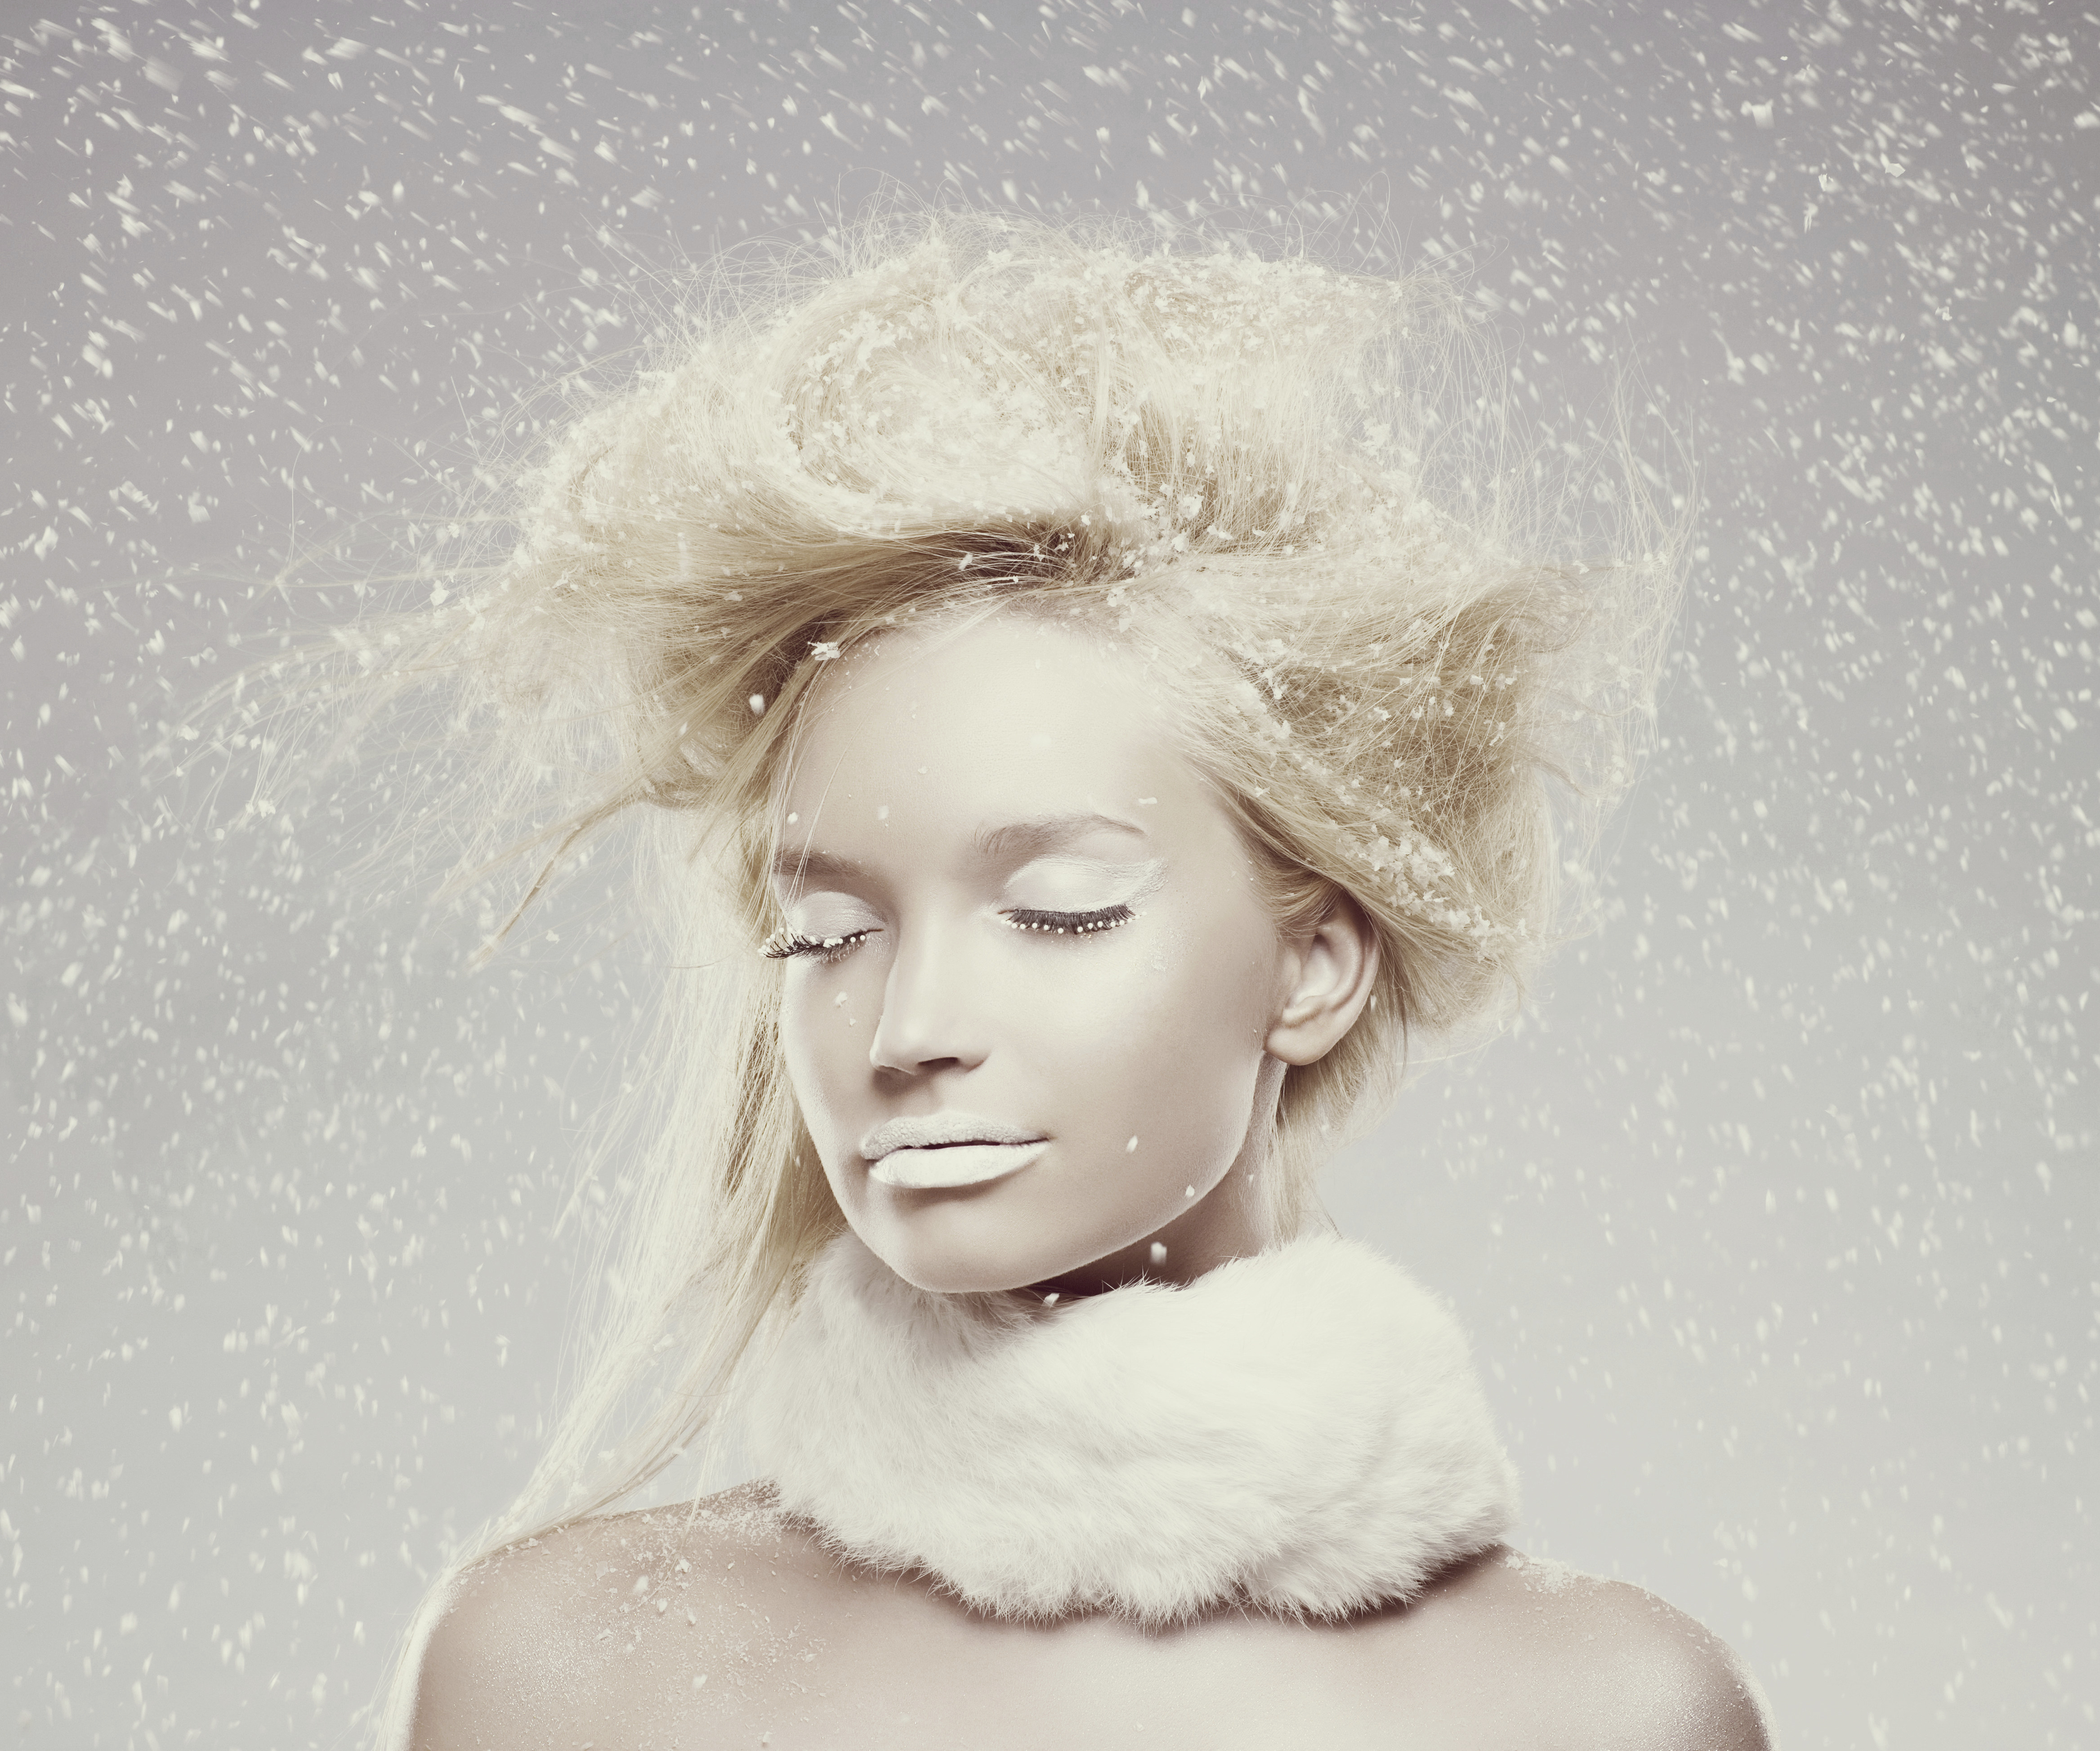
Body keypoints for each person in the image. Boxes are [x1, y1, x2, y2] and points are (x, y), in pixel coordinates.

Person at [339, 214, 1769, 1747]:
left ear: (1316, 965)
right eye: (826, 933)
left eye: (1058, 912)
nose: (907, 1029)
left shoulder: (1604, 1711)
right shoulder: (560, 1673)